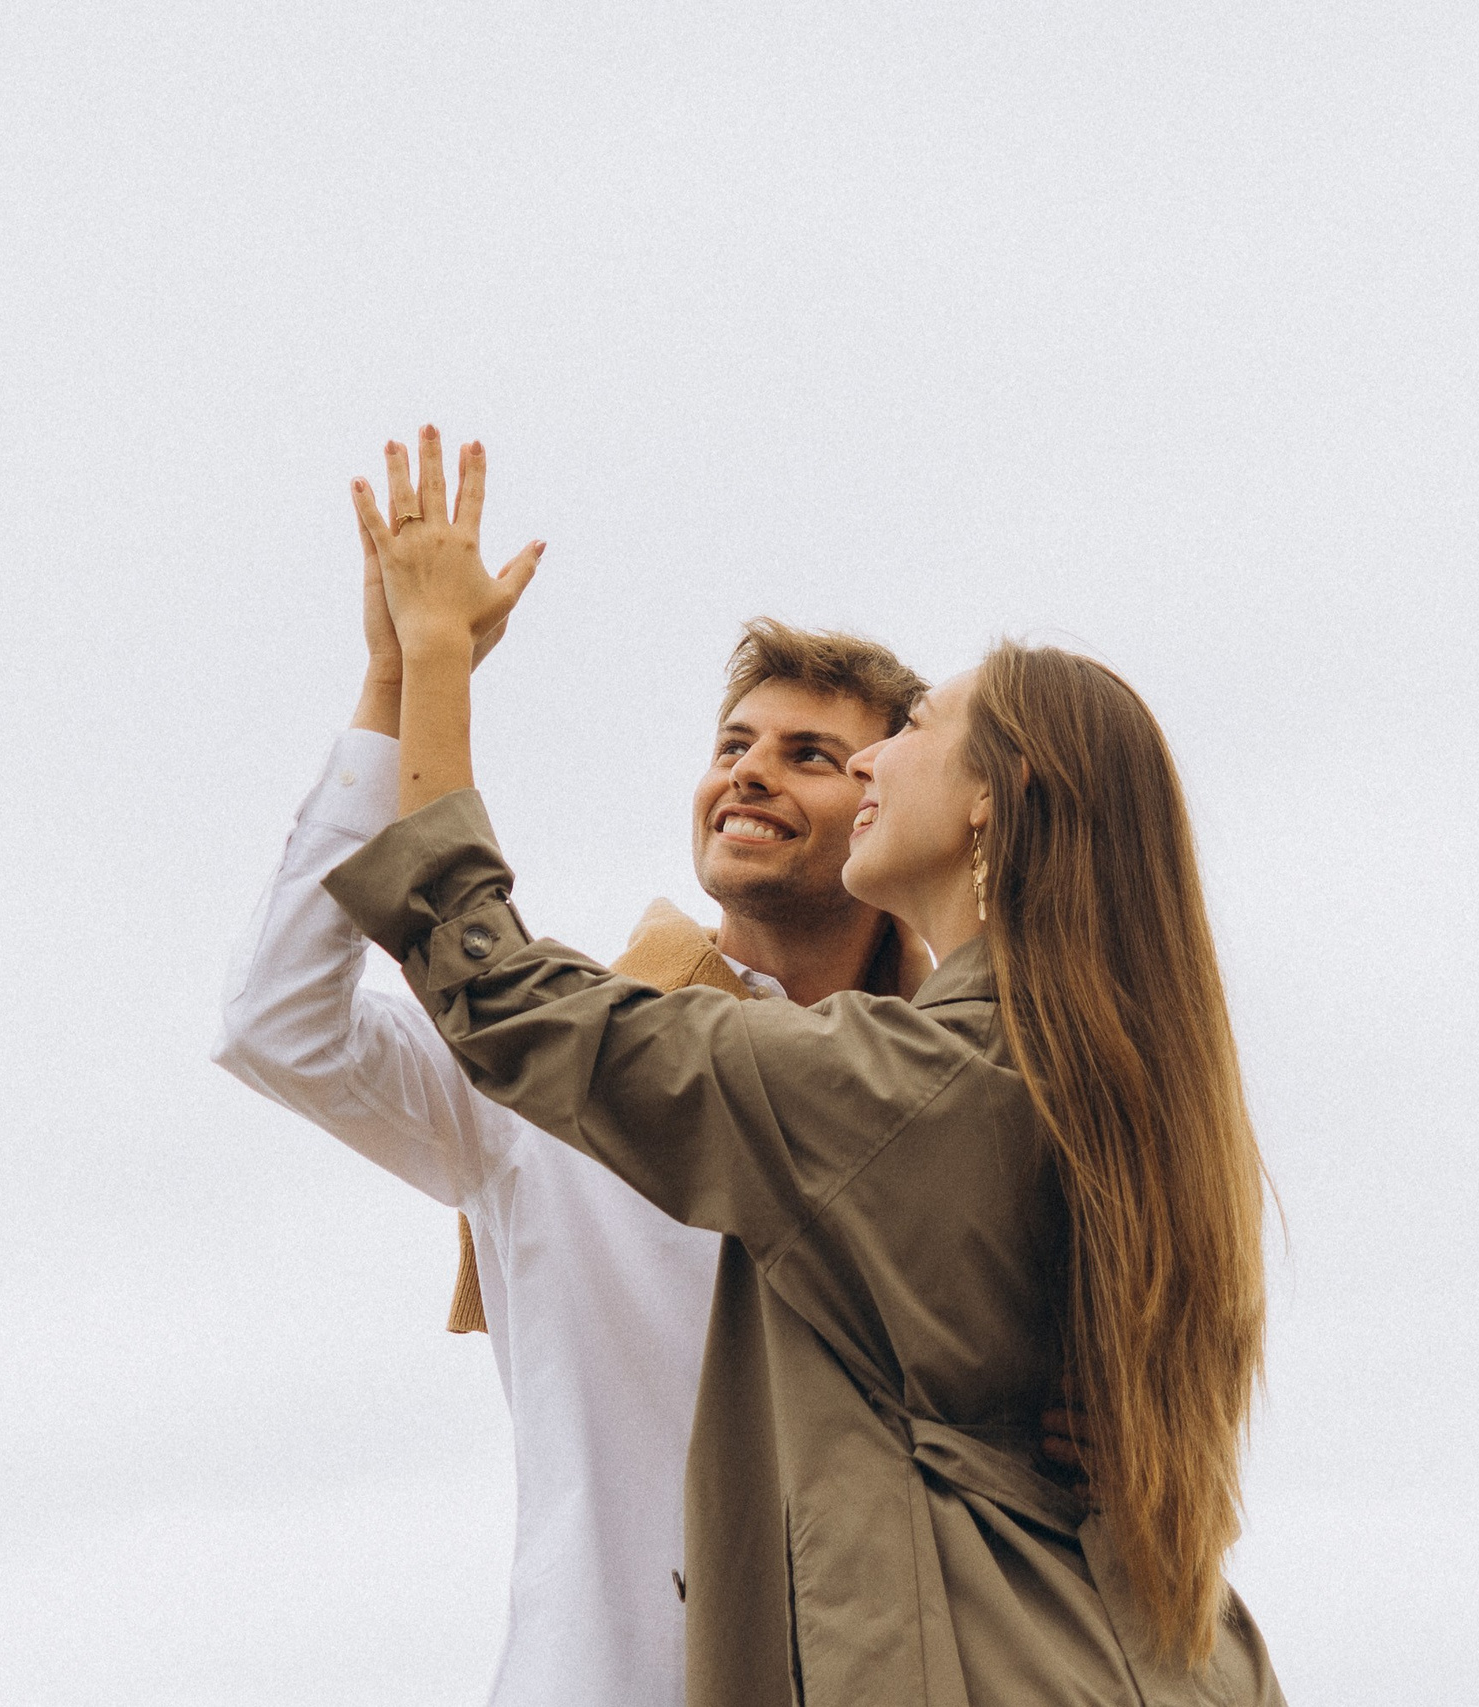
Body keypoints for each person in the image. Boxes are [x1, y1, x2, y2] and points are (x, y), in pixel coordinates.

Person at [328, 425, 1287, 1705]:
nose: (879, 757)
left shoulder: (908, 1086)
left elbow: (498, 991)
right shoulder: (1069, 1069)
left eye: (918, 732)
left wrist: (431, 659)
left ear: (993, 805)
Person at [212, 436, 942, 1705]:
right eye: (735, 742)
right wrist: (396, 683)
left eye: (812, 755)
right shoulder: (561, 1073)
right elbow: (278, 1022)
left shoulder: (952, 1098)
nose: (750, 771)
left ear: (883, 810)